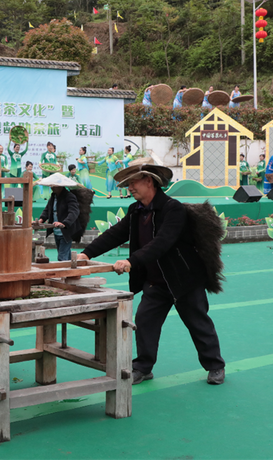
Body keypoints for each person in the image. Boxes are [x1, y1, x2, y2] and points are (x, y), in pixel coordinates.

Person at [78, 160, 226, 386]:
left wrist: (130, 261)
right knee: (145, 322)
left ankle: (215, 366)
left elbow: (162, 242)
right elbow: (116, 234)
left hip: (184, 279)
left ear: (149, 181)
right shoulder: (136, 210)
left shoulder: (172, 208)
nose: (130, 188)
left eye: (133, 183)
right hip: (155, 282)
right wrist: (86, 254)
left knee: (198, 323)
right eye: (128, 184)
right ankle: (143, 368)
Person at [37, 173, 80, 261]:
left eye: (54, 186)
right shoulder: (53, 196)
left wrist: (64, 223)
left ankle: (63, 274)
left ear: (60, 186)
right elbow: (47, 210)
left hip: (66, 231)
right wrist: (41, 220)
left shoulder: (69, 196)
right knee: (66, 255)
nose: (52, 187)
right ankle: (71, 272)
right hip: (57, 231)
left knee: (62, 257)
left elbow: (74, 212)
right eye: (51, 186)